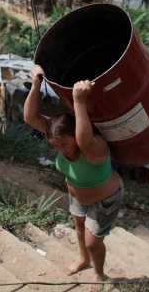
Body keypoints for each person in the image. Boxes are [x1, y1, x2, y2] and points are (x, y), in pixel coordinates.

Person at [23, 65, 124, 283]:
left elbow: (83, 139)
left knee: (92, 242)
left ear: (74, 134)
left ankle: (99, 274)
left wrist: (79, 101)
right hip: (77, 196)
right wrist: (36, 83)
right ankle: (83, 260)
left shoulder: (94, 147)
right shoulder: (60, 136)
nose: (60, 149)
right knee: (79, 229)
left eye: (64, 143)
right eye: (54, 144)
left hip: (105, 200)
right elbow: (30, 118)